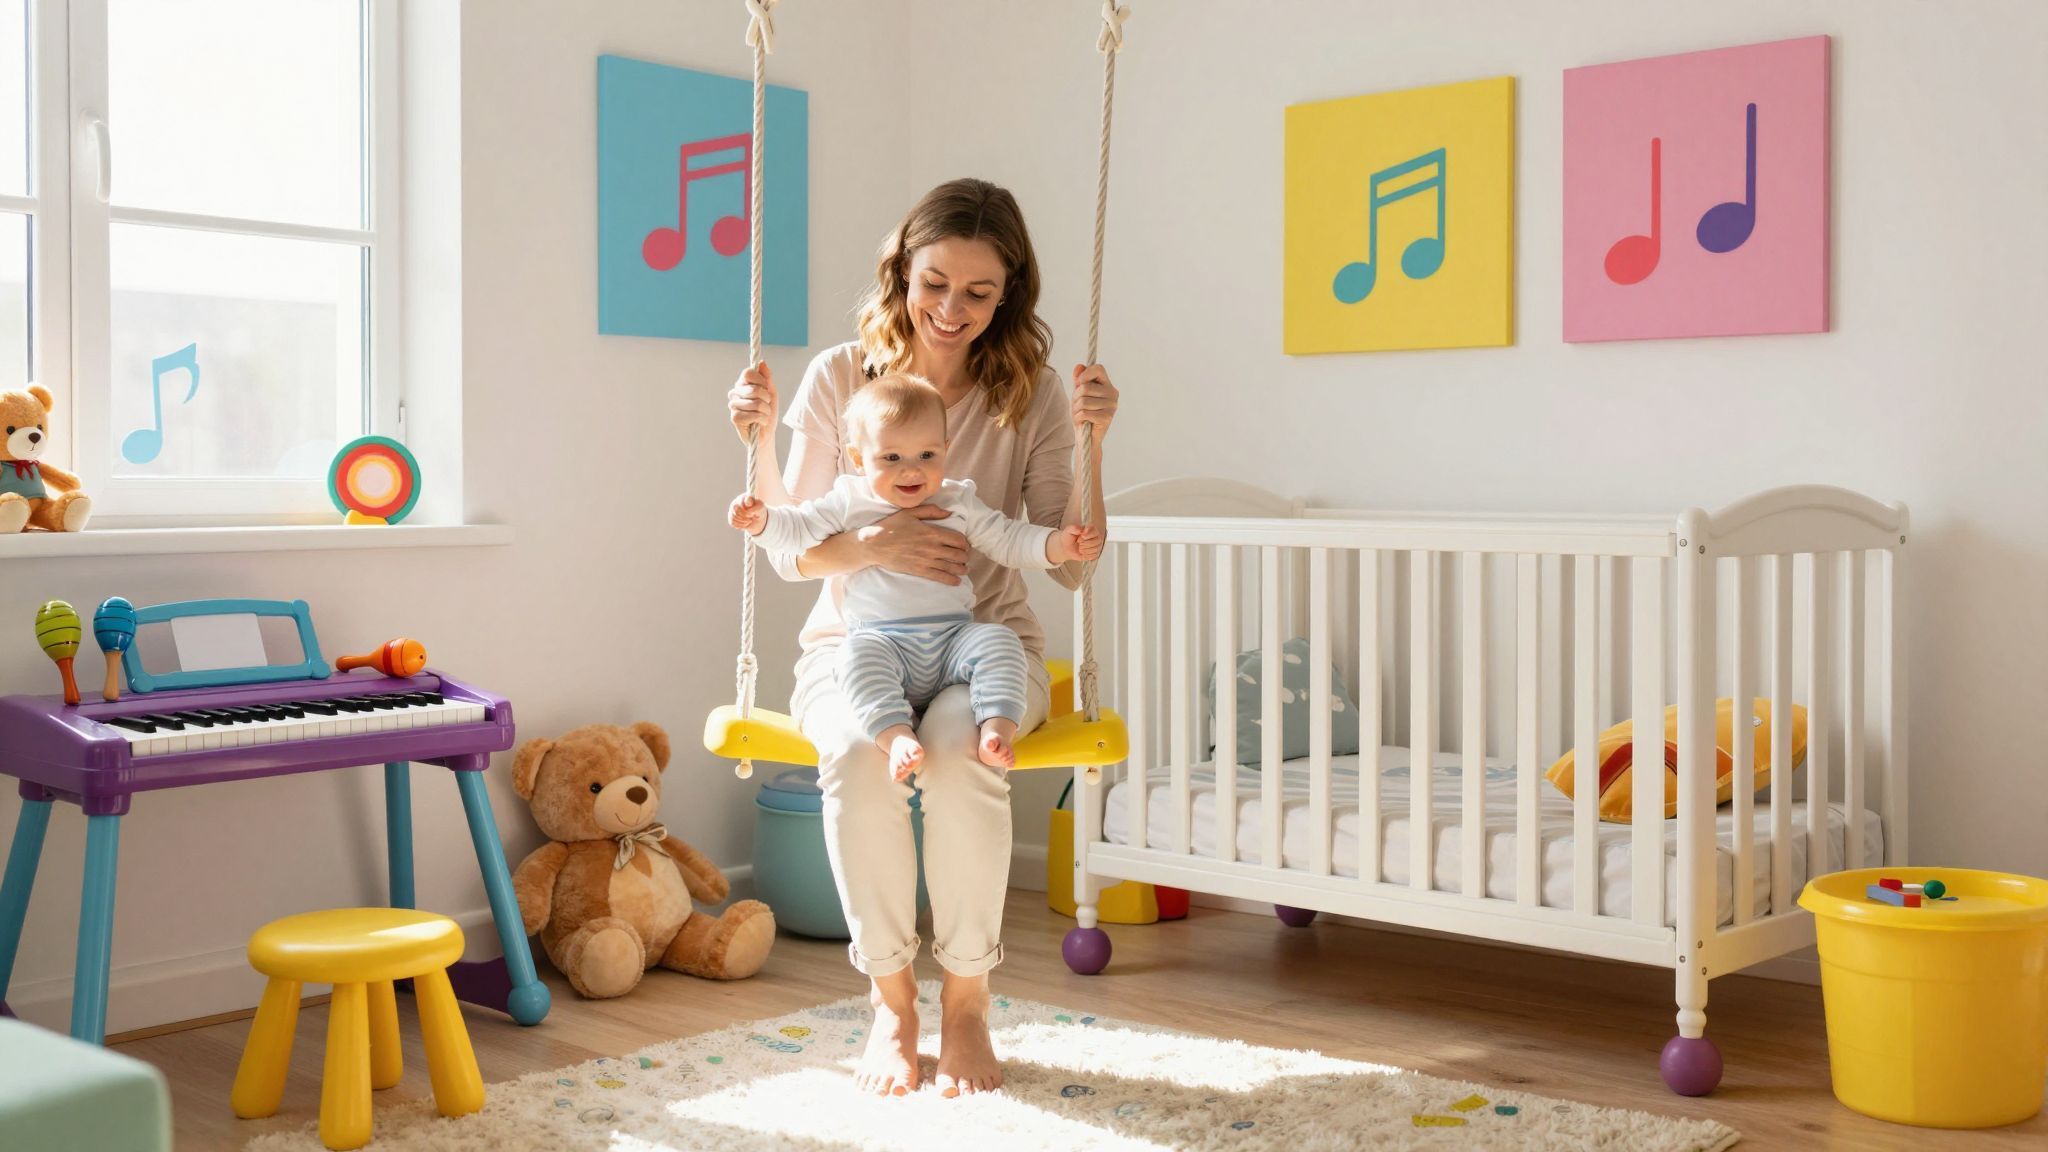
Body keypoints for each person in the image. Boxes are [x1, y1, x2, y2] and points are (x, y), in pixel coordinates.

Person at [727, 177, 1118, 1098]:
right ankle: (893, 1003)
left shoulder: (1035, 395)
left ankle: (969, 1002)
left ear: (1010, 293)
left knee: (959, 751)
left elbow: (1069, 563)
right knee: (866, 756)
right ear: (903, 270)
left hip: (984, 644)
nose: (951, 311)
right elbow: (795, 551)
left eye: (979, 293)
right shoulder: (837, 377)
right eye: (934, 283)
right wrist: (849, 526)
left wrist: (1101, 446)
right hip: (854, 642)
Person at [728, 372, 1104, 779]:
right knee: (854, 659)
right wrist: (762, 521)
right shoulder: (848, 501)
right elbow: (796, 531)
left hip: (952, 641)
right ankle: (895, 736)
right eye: (891, 458)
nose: (911, 471)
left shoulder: (957, 499)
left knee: (999, 641)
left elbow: (1009, 539)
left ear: (946, 449)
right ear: (858, 459)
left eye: (926, 456)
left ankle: (996, 728)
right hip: (883, 642)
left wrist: (1058, 546)